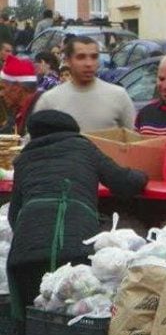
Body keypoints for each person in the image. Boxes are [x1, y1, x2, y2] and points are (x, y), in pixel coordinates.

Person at [7, 110, 148, 322]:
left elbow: (13, 215)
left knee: (36, 325)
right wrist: (144, 175)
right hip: (74, 249)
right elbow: (123, 182)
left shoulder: (23, 159)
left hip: (25, 255)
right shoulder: (83, 147)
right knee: (73, 321)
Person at [34, 36, 136, 132]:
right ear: (68, 61)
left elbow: (134, 142)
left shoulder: (118, 96)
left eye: (94, 57)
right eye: (81, 57)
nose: (88, 63)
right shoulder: (49, 100)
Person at [0, 55, 44, 136]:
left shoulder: (42, 112)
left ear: (16, 88)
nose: (1, 94)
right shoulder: (16, 111)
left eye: (3, 88)